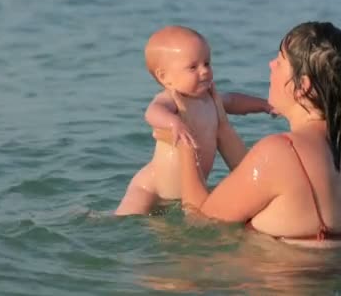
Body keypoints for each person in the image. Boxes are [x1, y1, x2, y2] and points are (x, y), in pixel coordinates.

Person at [169, 21, 341, 247]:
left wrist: (187, 138)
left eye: (281, 61)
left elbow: (200, 222)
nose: (271, 64)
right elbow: (266, 184)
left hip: (281, 280)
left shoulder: (280, 153)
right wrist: (222, 127)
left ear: (303, 86)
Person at [115, 25, 273, 216]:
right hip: (151, 188)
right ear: (165, 77)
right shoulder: (171, 98)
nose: (204, 71)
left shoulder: (210, 98)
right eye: (193, 67)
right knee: (128, 217)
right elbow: (152, 112)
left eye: (207, 63)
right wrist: (174, 123)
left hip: (185, 193)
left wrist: (263, 105)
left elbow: (234, 101)